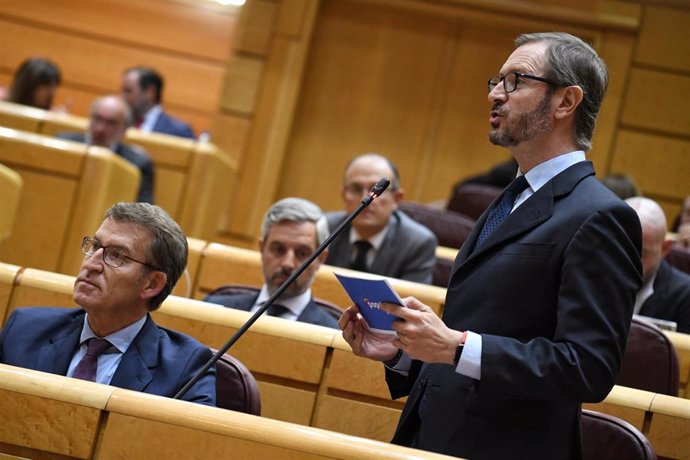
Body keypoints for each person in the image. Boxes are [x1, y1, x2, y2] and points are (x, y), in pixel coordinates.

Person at [339, 32, 642, 459]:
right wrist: (406, 352)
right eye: (496, 81)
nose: (495, 95)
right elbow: (481, 332)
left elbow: (587, 366)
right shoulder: (512, 196)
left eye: (515, 80)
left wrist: (456, 345)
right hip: (431, 437)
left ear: (565, 102)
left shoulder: (599, 215)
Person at [0, 202, 215, 405]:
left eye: (117, 256)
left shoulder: (187, 370)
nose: (91, 263)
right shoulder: (24, 330)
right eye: (95, 246)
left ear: (152, 284)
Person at [204, 198, 339, 328]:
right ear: (262, 248)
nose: (288, 264)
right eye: (279, 250)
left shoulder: (333, 335)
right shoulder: (213, 311)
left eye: (302, 253)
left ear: (321, 258)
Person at [325, 153, 437, 284]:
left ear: (397, 198)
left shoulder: (417, 243)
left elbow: (412, 301)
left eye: (378, 191)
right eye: (356, 189)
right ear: (344, 195)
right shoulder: (324, 227)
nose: (365, 198)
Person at [57, 95, 154, 203]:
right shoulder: (64, 144)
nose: (100, 129)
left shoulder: (136, 164)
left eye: (111, 123)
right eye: (97, 119)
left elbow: (143, 213)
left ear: (124, 128)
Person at [626, 197, 690, 333]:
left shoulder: (685, 297)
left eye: (641, 253)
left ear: (665, 249)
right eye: (621, 249)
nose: (628, 262)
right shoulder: (590, 277)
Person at [120, 66, 195, 139]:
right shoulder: (117, 123)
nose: (122, 96)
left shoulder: (178, 131)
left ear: (150, 92)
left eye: (128, 91)